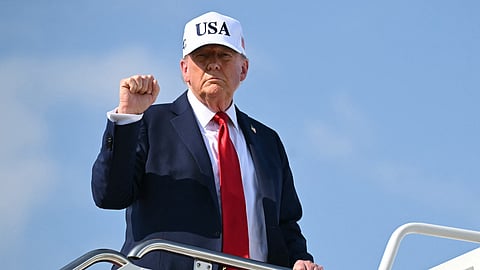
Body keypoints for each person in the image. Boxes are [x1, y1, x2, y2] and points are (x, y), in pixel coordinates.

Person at [91, 11, 323, 270]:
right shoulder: (149, 123)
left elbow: (286, 224)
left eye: (224, 55)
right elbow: (109, 195)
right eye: (202, 56)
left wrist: (300, 261)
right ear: (185, 70)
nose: (213, 64)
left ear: (243, 68)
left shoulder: (268, 141)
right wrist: (127, 117)